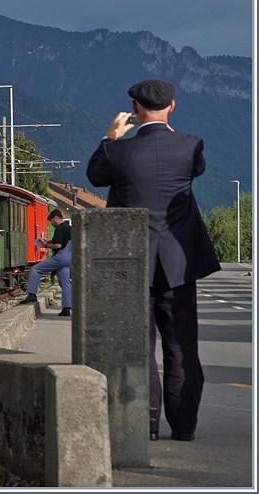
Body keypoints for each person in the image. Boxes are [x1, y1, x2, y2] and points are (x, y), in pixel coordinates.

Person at [86, 78, 220, 443]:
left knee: (138, 345)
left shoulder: (117, 152)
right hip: (178, 262)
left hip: (131, 263)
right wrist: (171, 132)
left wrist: (109, 138)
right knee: (181, 344)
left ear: (133, 110)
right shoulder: (191, 146)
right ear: (172, 107)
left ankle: (146, 421)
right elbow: (197, 170)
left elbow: (95, 176)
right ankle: (185, 425)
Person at [22, 209, 71, 316]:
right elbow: (63, 241)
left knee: (36, 269)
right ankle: (67, 309)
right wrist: (49, 241)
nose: (52, 224)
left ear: (56, 218)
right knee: (65, 283)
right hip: (69, 258)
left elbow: (58, 245)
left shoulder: (59, 228)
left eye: (52, 221)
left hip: (60, 257)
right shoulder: (69, 227)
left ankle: (31, 295)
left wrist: (45, 245)